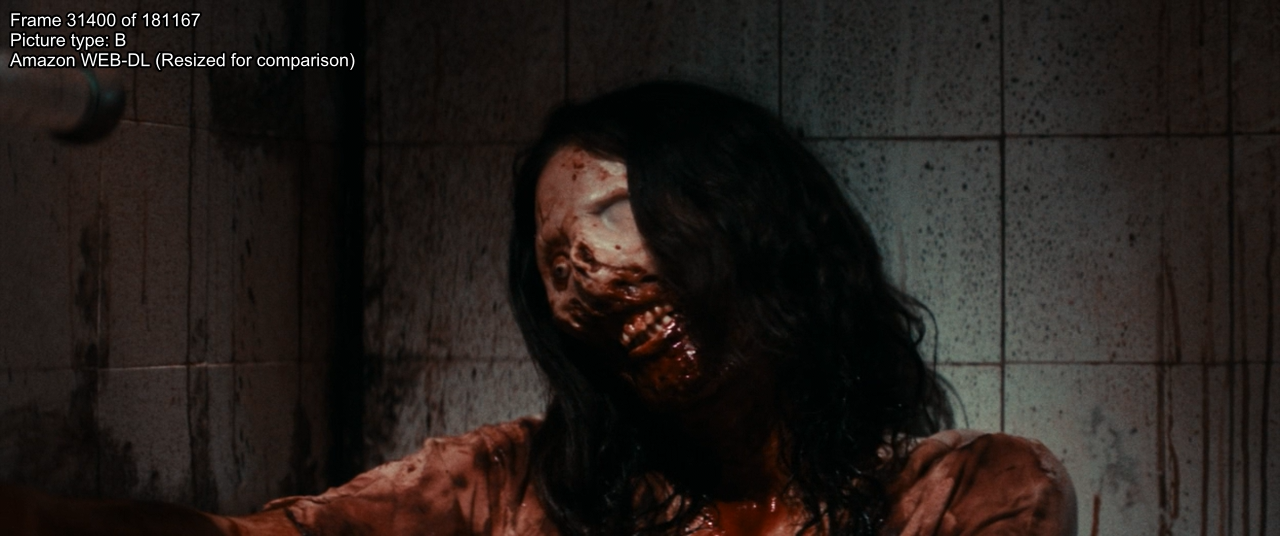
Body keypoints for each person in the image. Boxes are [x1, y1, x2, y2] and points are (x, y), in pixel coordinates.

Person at [2, 81, 1075, 535]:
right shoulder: (514, 485)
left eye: (619, 212)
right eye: (555, 262)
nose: (593, 275)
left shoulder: (967, 492)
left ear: (754, 215)